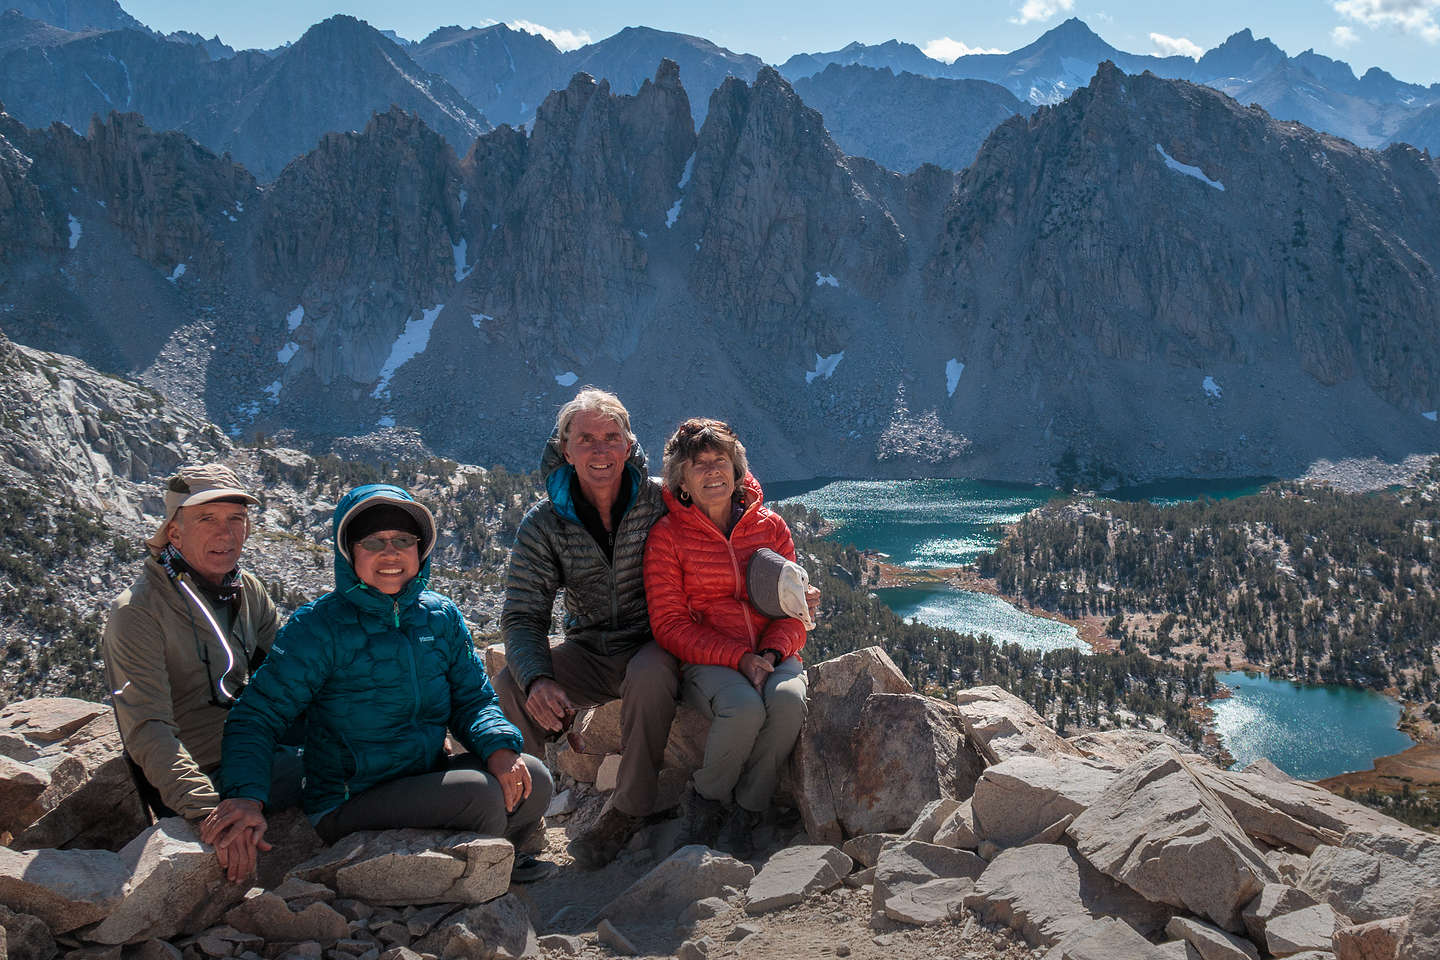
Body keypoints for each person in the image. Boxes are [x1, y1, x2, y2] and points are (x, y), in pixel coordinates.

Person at [200, 484, 553, 884]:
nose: (390, 553)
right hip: (350, 798)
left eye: (403, 540)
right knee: (482, 796)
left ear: (421, 549)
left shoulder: (440, 617)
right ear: (349, 552)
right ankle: (464, 868)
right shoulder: (319, 627)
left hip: (422, 776)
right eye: (373, 541)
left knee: (535, 779)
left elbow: (472, 698)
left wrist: (499, 748)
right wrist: (245, 796)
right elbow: (256, 716)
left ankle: (483, 855)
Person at [494, 388, 680, 869]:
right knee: (510, 687)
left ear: (628, 445)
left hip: (655, 642)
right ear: (565, 449)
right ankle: (519, 823)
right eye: (586, 439)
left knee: (651, 673)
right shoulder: (545, 522)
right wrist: (537, 678)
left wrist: (784, 583)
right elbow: (521, 613)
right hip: (591, 649)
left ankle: (627, 810)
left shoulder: (661, 500)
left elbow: (729, 527)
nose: (600, 451)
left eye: (611, 438)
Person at [642, 418, 810, 860]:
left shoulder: (770, 527)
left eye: (721, 461)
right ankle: (707, 802)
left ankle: (748, 810)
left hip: (772, 649)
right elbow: (669, 624)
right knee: (743, 708)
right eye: (698, 464)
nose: (712, 471)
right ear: (681, 480)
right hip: (709, 658)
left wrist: (771, 652)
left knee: (789, 700)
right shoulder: (668, 537)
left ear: (737, 470)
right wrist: (739, 658)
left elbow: (796, 610)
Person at [102, 463, 299, 823]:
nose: (225, 534)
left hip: (253, 744)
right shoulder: (138, 612)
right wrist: (211, 813)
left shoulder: (246, 589)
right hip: (205, 772)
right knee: (343, 768)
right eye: (207, 519)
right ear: (174, 533)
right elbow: (149, 730)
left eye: (236, 519)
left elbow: (294, 674)